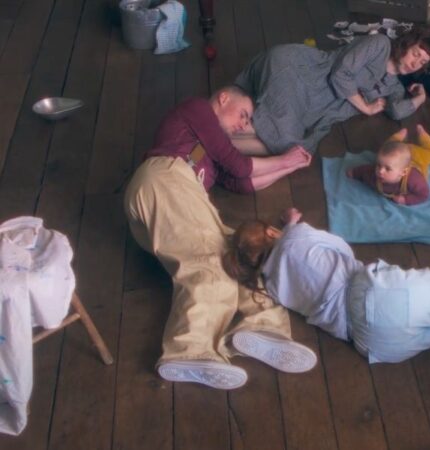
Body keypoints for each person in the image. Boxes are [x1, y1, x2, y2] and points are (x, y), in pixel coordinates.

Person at [124, 86, 317, 391]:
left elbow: (242, 182)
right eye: (244, 115)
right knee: (207, 262)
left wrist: (288, 166)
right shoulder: (197, 109)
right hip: (164, 180)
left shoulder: (213, 154)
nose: (243, 125)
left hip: (182, 199)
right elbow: (239, 165)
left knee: (240, 254)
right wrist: (283, 159)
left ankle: (265, 326)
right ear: (224, 98)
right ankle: (190, 348)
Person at [222, 208, 430, 364]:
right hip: (364, 294)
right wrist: (293, 224)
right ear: (272, 232)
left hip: (371, 345)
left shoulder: (271, 285)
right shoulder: (294, 235)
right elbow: (341, 249)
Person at [233, 28, 430, 156]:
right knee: (281, 134)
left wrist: (420, 98)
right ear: (406, 45)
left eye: (422, 62)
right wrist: (366, 108)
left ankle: (219, 144)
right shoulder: (380, 44)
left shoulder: (393, 86)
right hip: (301, 73)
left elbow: (396, 111)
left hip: (316, 106)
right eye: (415, 54)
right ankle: (217, 139)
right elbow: (340, 75)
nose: (415, 63)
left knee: (294, 149)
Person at [347, 125, 430, 205]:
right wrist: (354, 172)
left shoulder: (414, 179)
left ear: (403, 172)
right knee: (387, 147)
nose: (380, 171)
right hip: (396, 154)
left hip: (418, 157)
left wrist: (406, 200)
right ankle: (398, 137)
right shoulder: (374, 172)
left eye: (387, 169)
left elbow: (424, 194)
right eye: (379, 165)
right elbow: (364, 170)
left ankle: (423, 134)